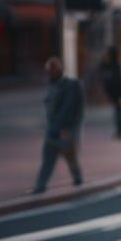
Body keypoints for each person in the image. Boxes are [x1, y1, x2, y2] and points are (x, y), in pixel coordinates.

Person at [32, 57, 84, 194]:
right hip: (52, 130)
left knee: (71, 158)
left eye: (52, 70)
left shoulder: (71, 85)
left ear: (60, 69)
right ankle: (40, 186)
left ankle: (78, 179)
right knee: (48, 160)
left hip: (64, 130)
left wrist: (66, 128)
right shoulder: (52, 85)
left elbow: (70, 108)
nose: (50, 73)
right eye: (48, 70)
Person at [99, 45, 121, 139]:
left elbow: (119, 81)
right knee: (119, 112)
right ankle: (120, 131)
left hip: (115, 92)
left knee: (119, 112)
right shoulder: (115, 65)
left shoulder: (113, 65)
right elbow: (120, 81)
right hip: (117, 92)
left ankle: (120, 132)